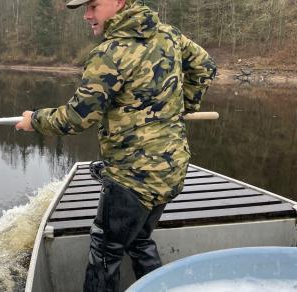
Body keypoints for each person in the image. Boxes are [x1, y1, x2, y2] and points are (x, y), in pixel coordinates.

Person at [16, 0, 217, 291]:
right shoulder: (169, 34)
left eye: (94, 6)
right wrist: (184, 104)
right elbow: (205, 67)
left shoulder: (109, 55)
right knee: (138, 239)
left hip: (132, 180)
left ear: (119, 2)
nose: (87, 15)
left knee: (105, 253)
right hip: (171, 169)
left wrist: (34, 120)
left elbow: (76, 118)